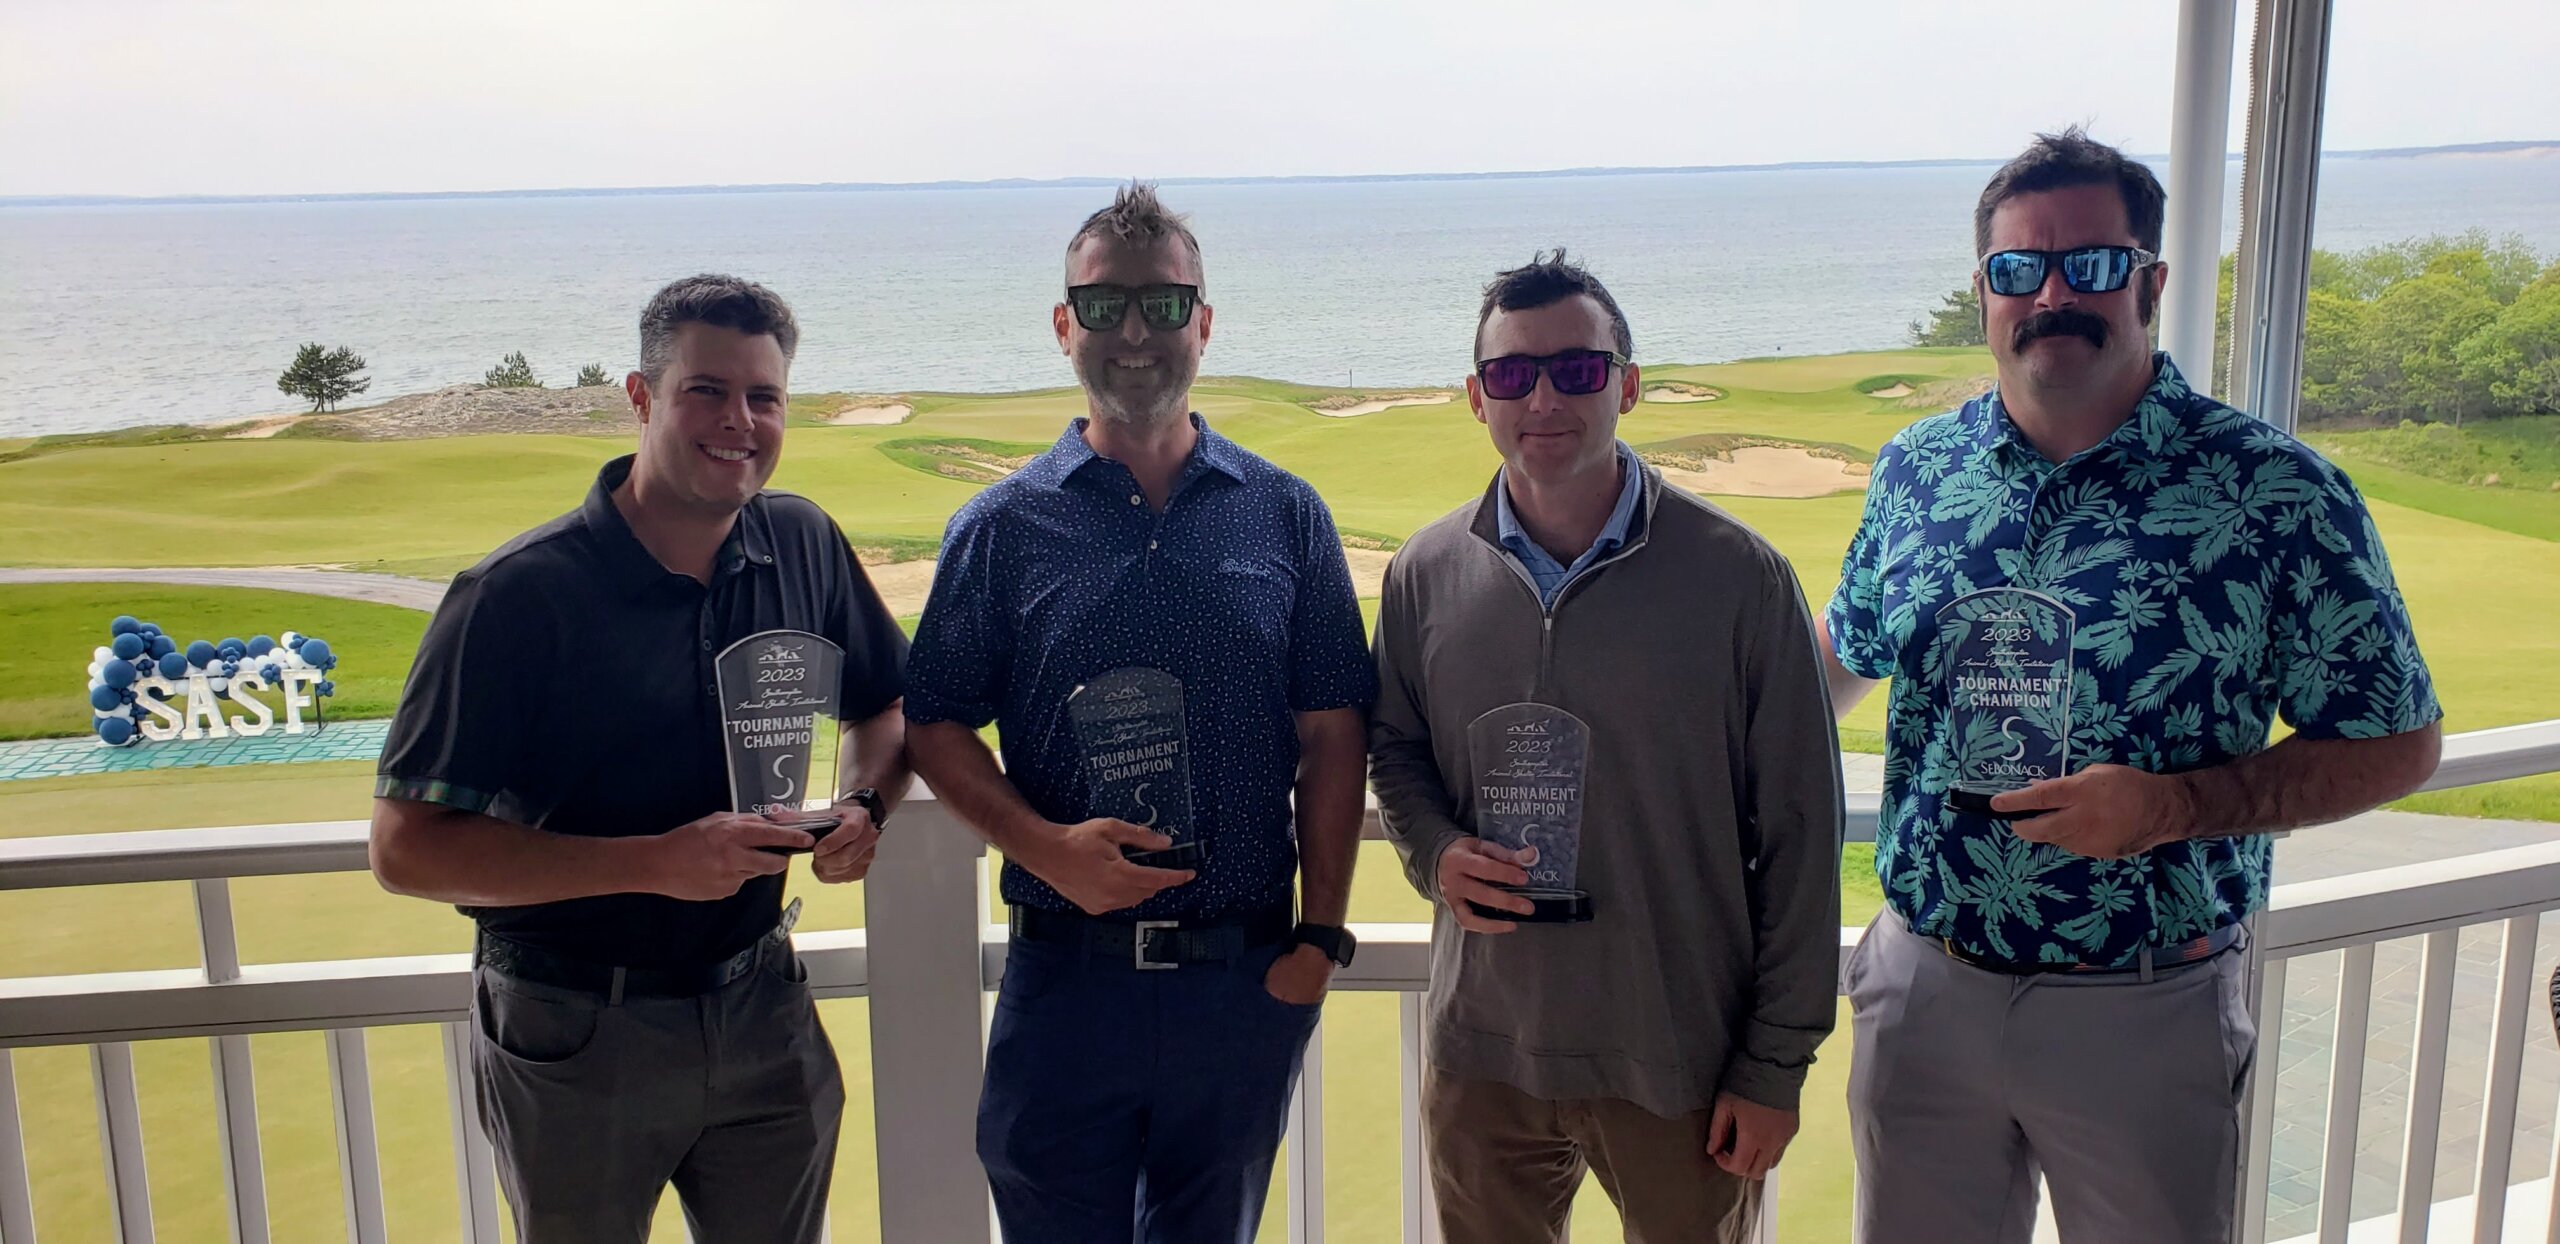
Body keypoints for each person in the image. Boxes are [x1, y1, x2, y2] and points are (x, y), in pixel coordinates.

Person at [1823, 128, 2445, 1244]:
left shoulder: (2274, 489)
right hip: (1926, 989)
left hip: (2144, 999)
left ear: (2149, 280)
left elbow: (2397, 741)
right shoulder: (1916, 468)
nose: (2052, 293)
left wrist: (2174, 805)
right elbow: (1843, 656)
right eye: (2019, 268)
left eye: (2091, 263)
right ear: (1985, 294)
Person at [370, 274, 911, 1243]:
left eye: (764, 396)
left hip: (762, 1004)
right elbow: (407, 848)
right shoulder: (514, 596)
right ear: (641, 395)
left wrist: (863, 800)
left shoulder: (802, 542)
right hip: (574, 1023)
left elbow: (886, 703)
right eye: (706, 389)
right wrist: (651, 860)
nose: (738, 419)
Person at [901, 182, 1375, 1243]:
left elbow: (1333, 728)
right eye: (1104, 304)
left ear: (1204, 323)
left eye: (1164, 305)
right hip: (1066, 979)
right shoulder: (1002, 525)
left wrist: (1322, 935)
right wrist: (1040, 843)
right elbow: (933, 717)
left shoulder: (1283, 512)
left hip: (1243, 978)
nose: (1134, 332)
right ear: (1063, 324)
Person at [1368, 250, 1844, 1244]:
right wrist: (1434, 849)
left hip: (1675, 1053)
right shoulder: (1425, 572)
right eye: (1512, 374)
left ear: (1625, 383)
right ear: (1475, 397)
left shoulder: (1740, 578)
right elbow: (1396, 744)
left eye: (1577, 370)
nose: (1543, 396)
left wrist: (1774, 1064)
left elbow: (1802, 828)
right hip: (1485, 1049)